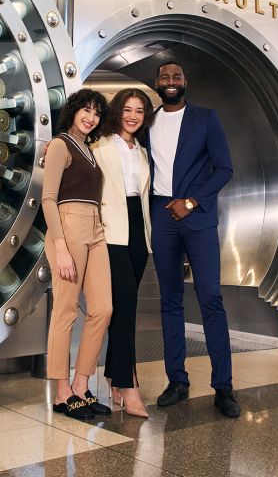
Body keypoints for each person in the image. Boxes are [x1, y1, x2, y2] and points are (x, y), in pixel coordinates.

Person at [146, 61, 240, 418]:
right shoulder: (149, 122)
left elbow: (224, 169)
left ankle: (224, 387)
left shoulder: (206, 117)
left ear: (186, 82)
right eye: (164, 77)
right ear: (157, 83)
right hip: (161, 218)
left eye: (176, 77)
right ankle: (177, 381)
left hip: (197, 218)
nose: (170, 82)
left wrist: (191, 200)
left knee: (210, 299)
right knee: (169, 300)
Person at [41, 88, 113, 420]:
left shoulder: (89, 150)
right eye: (85, 110)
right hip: (68, 228)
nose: (90, 117)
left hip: (96, 228)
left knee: (102, 309)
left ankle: (82, 383)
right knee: (66, 311)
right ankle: (61, 392)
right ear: (73, 112)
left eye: (96, 113)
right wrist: (60, 245)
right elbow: (48, 199)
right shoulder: (60, 145)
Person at [91, 88, 155, 418]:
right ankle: (130, 386)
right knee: (126, 305)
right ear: (117, 111)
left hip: (138, 232)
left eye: (140, 111)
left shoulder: (142, 151)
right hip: (111, 230)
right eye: (128, 109)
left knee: (122, 308)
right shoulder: (99, 144)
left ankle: (115, 380)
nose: (133, 116)